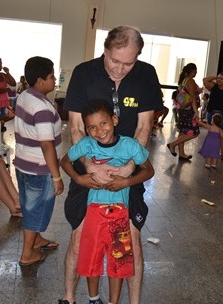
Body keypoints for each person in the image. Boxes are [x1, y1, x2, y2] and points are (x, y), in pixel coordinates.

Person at [58, 26, 163, 304]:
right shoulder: (83, 73)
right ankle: (69, 298)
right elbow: (77, 128)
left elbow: (144, 126)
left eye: (128, 63)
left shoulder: (146, 74)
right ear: (105, 50)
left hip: (128, 167)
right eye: (115, 61)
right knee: (80, 238)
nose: (120, 69)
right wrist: (90, 166)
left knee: (132, 244)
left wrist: (129, 168)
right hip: (89, 167)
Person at [61, 99, 154, 304]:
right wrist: (79, 178)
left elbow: (149, 170)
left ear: (114, 119)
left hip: (120, 214)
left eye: (103, 123)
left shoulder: (130, 145)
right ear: (86, 129)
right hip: (93, 213)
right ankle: (93, 300)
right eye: (91, 127)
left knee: (118, 262)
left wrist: (127, 182)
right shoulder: (86, 144)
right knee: (91, 258)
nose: (99, 131)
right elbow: (65, 161)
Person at [14, 56, 64, 267]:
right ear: (40, 79)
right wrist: (56, 176)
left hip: (24, 164)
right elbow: (46, 145)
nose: (55, 80)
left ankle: (37, 240)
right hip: (39, 169)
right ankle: (27, 253)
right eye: (52, 76)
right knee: (36, 210)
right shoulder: (41, 107)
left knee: (28, 205)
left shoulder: (25, 95)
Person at [167, 63, 201, 160]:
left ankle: (181, 153)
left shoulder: (184, 80)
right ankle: (172, 145)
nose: (196, 72)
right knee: (194, 132)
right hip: (189, 110)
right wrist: (196, 111)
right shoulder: (190, 80)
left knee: (182, 131)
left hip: (182, 109)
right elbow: (193, 97)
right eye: (195, 70)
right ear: (192, 71)